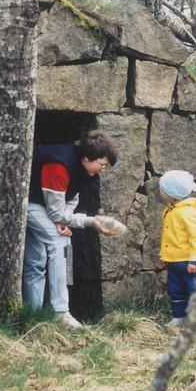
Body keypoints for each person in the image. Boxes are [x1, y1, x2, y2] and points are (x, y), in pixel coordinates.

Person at [24, 129, 118, 329]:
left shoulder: (84, 169)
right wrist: (90, 222)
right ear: (86, 157)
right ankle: (61, 312)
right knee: (60, 241)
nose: (103, 169)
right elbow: (56, 211)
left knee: (37, 257)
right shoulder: (58, 165)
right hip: (28, 202)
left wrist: (64, 219)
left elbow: (70, 198)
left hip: (46, 204)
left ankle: (32, 316)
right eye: (102, 164)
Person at [158, 170, 196, 331]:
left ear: (172, 193)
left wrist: (195, 260)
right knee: (175, 291)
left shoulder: (189, 212)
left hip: (188, 263)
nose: (159, 191)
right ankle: (178, 317)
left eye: (162, 189)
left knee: (193, 290)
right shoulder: (170, 210)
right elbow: (169, 236)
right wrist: (164, 255)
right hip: (174, 262)